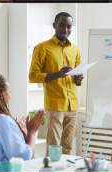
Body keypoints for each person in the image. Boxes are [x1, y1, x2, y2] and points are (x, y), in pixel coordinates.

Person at [29, 12, 83, 155]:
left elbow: (77, 78)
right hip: (55, 106)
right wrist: (58, 74)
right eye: (61, 25)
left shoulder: (75, 49)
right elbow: (33, 76)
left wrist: (79, 79)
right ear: (54, 26)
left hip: (72, 106)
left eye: (69, 26)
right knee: (54, 148)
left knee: (67, 148)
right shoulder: (42, 48)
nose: (65, 29)